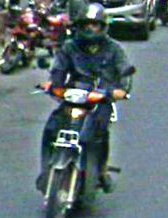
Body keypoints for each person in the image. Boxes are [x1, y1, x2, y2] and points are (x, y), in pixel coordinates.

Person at [36, 3, 133, 194]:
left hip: (100, 97)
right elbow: (59, 69)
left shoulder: (114, 49)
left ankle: (101, 171)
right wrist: (53, 85)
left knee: (99, 133)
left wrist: (118, 90)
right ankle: (46, 170)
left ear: (102, 26)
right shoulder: (70, 47)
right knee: (52, 126)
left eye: (94, 25)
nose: (90, 29)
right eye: (86, 24)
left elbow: (125, 74)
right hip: (75, 94)